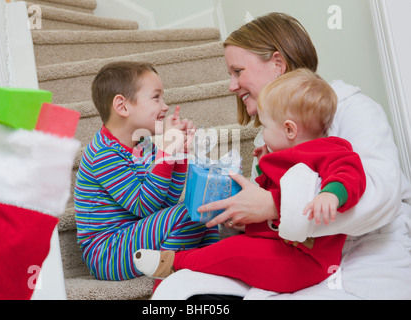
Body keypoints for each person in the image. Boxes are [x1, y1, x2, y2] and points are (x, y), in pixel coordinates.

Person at [151, 12, 410, 300]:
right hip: (286, 253)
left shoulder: (353, 109)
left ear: (277, 63)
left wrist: (275, 206)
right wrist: (243, 215)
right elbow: (265, 215)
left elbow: (381, 196)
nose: (231, 85)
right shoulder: (269, 136)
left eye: (238, 71)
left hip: (362, 255)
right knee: (179, 292)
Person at [133, 68, 367, 292]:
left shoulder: (328, 149)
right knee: (231, 247)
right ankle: (187, 266)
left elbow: (348, 171)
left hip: (306, 259)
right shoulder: (280, 157)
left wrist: (331, 194)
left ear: (289, 129)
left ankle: (175, 262)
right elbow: (272, 199)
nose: (262, 133)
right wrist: (267, 166)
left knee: (234, 251)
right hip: (279, 244)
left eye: (265, 126)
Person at [74, 61, 219, 281]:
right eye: (156, 97)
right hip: (107, 253)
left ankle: (212, 263)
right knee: (190, 213)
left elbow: (165, 202)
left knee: (203, 210)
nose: (165, 106)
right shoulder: (102, 154)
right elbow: (144, 205)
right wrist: (167, 152)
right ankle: (178, 267)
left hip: (139, 235)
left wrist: (179, 154)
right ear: (122, 106)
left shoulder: (143, 144)